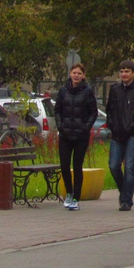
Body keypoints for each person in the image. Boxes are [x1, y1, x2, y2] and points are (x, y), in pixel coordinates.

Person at [106, 59, 134, 211]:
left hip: (133, 134)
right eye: (122, 71)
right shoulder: (114, 89)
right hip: (117, 134)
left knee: (130, 166)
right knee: (113, 165)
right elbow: (110, 110)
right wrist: (112, 125)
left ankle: (126, 201)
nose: (124, 74)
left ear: (133, 73)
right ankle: (124, 191)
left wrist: (133, 125)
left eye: (127, 71)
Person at [54, 62, 99, 211]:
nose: (76, 76)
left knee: (77, 166)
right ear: (70, 74)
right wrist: (60, 125)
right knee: (64, 165)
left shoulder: (87, 92)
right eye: (74, 73)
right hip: (65, 134)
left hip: (81, 135)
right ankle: (68, 192)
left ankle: (75, 198)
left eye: (79, 73)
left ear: (83, 76)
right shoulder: (63, 91)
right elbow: (57, 110)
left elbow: (93, 112)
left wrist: (86, 128)